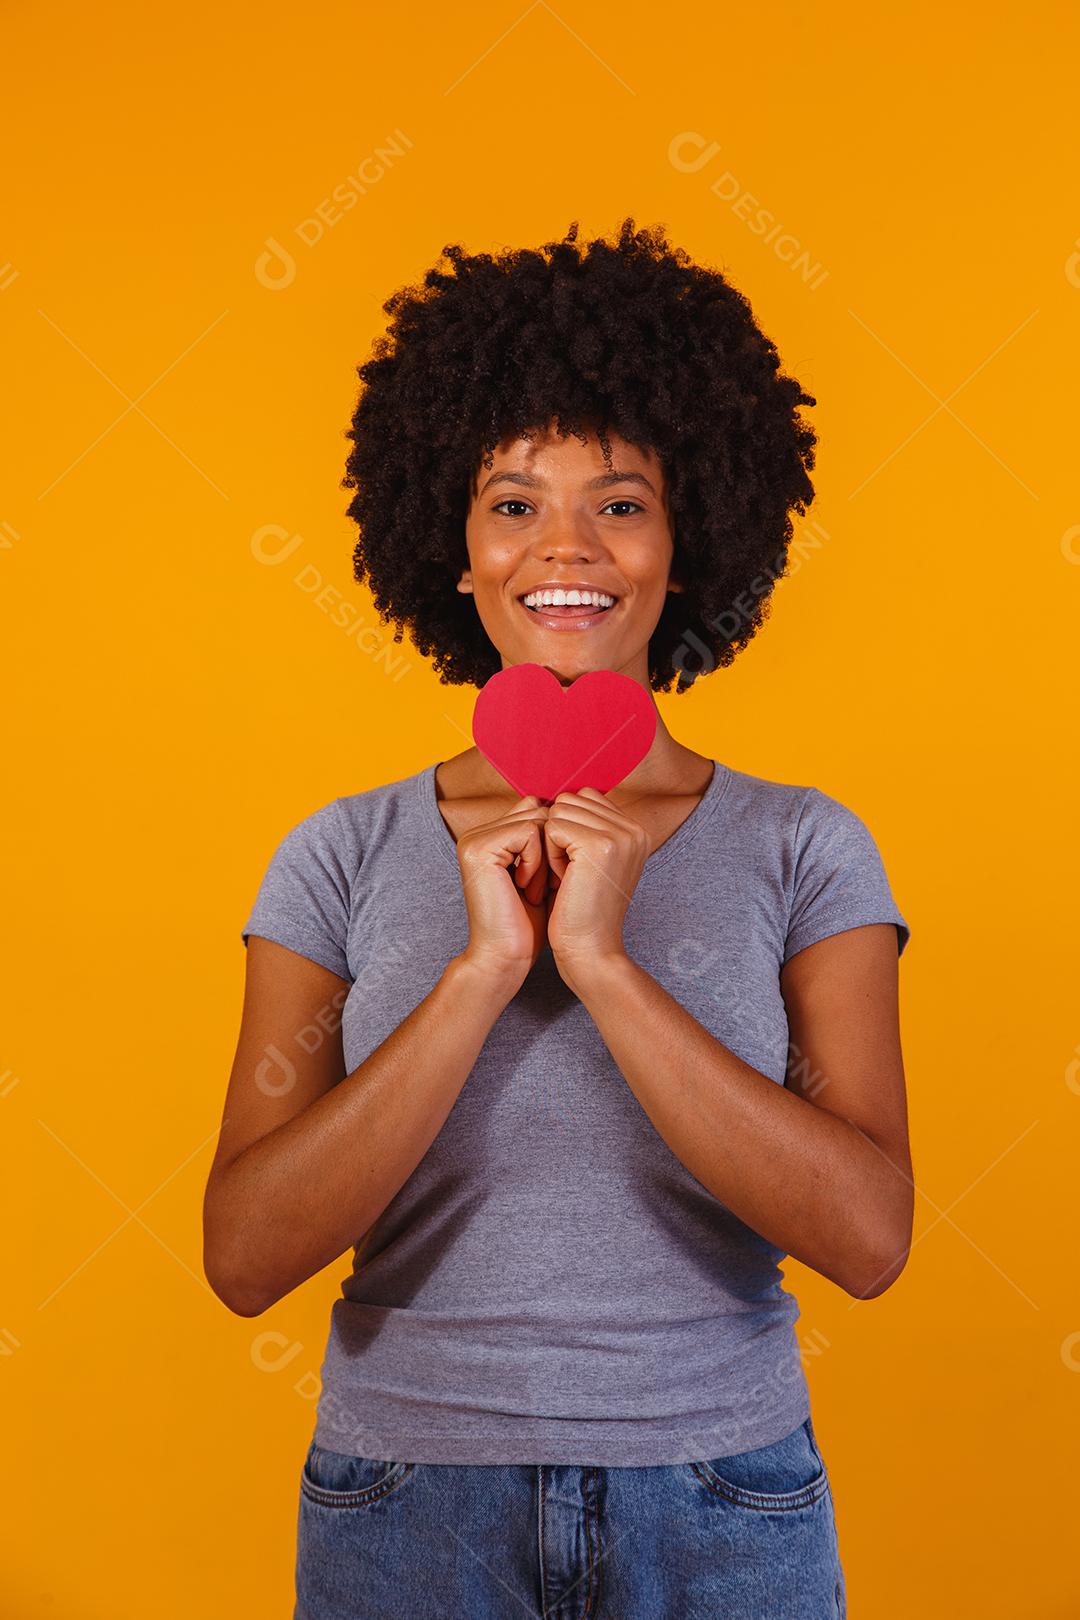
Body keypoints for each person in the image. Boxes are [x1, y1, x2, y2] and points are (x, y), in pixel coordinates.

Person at [203, 217, 912, 1619]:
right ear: (454, 553)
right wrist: (482, 971)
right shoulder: (340, 852)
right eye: (514, 502)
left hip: (723, 1497)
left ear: (689, 541)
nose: (567, 546)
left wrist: (601, 965)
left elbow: (868, 1236)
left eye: (623, 501)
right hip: (406, 1502)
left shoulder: (804, 844)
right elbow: (247, 1252)